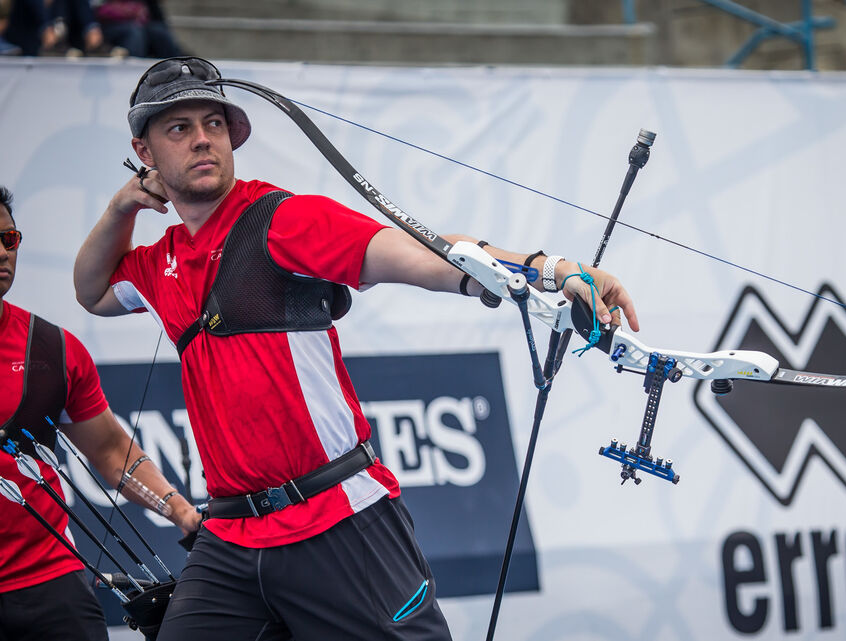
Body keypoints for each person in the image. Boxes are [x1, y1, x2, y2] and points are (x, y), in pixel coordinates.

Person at [73, 56, 640, 640]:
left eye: (213, 124)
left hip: (337, 520)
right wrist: (120, 208)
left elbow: (421, 252)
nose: (202, 140)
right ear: (144, 153)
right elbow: (91, 291)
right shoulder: (161, 262)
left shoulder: (279, 220)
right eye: (179, 129)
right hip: (231, 539)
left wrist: (551, 271)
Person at [0, 185, 201, 641]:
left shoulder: (52, 349)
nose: (2, 252)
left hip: (49, 584)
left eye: (9, 239)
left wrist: (183, 514)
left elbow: (112, 451)